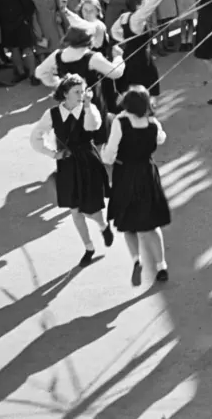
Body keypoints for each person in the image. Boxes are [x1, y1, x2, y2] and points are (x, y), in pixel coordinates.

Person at [29, 74, 113, 267]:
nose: (81, 94)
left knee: (92, 209)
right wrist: (52, 154)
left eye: (83, 90)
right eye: (77, 92)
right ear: (65, 94)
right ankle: (89, 248)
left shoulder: (88, 108)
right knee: (75, 210)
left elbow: (94, 125)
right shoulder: (52, 114)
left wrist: (88, 106)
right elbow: (35, 137)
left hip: (88, 160)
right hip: (67, 163)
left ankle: (103, 226)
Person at [100, 85, 171, 285]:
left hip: (126, 174)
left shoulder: (120, 123)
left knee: (127, 223)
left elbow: (109, 154)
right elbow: (161, 138)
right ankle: (161, 265)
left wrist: (105, 152)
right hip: (147, 173)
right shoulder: (152, 123)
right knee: (151, 224)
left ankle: (136, 260)